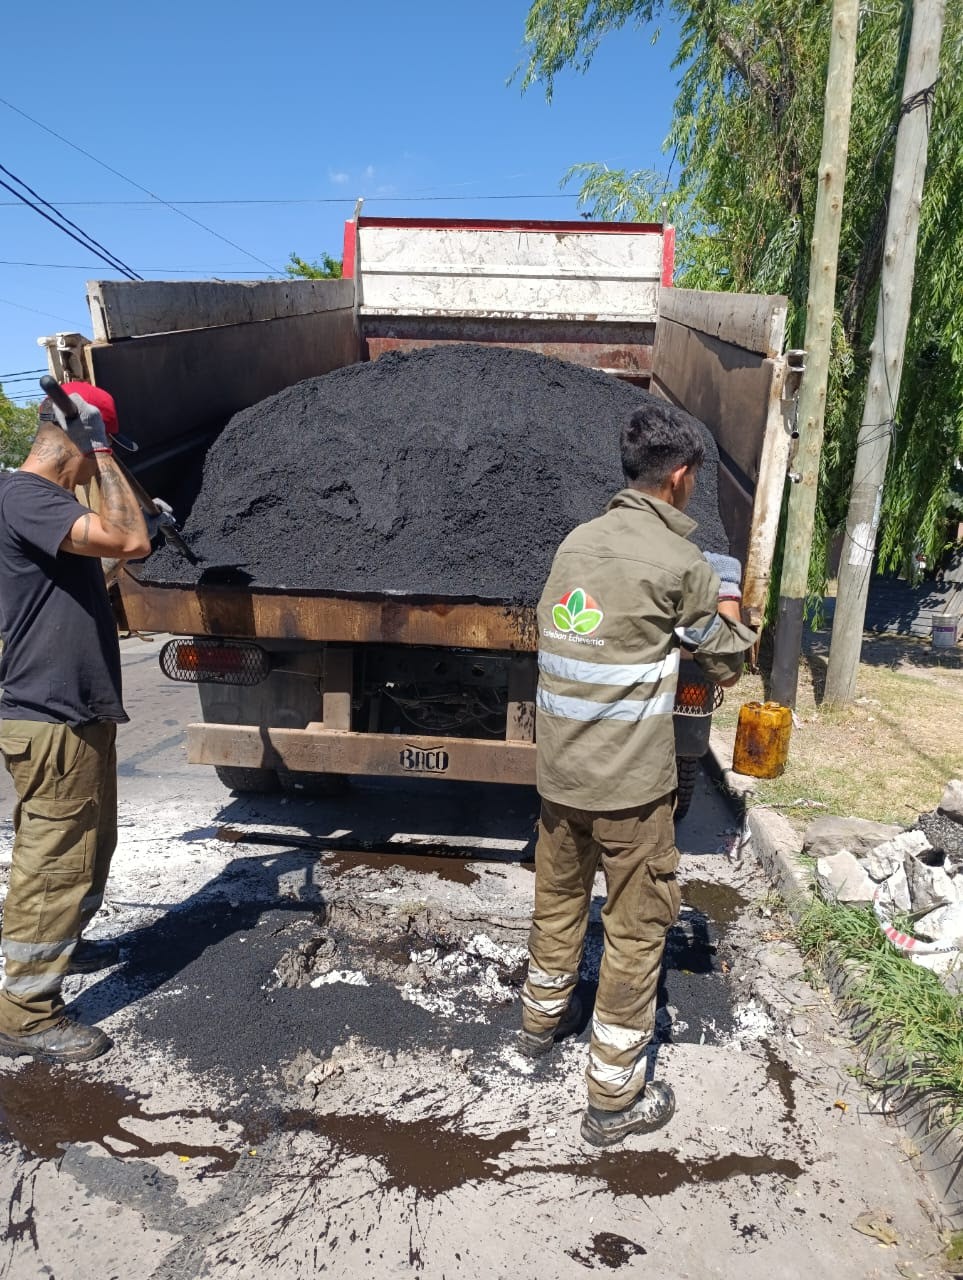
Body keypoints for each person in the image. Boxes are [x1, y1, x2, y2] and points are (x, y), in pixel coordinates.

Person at [517, 399, 756, 1147]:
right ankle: (612, 1100)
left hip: (560, 782)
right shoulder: (679, 564)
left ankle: (537, 1026)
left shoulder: (573, 545)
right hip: (629, 792)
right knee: (634, 927)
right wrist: (729, 607)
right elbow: (726, 661)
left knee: (557, 904)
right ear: (680, 477)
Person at [0, 383, 150, 1063]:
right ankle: (25, 1013)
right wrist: (102, 446)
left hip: (71, 711)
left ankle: (65, 944)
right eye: (97, 454)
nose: (98, 468)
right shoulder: (28, 497)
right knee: (54, 861)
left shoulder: (46, 511)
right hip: (49, 713)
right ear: (77, 442)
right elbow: (129, 538)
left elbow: (114, 559)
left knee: (88, 848)